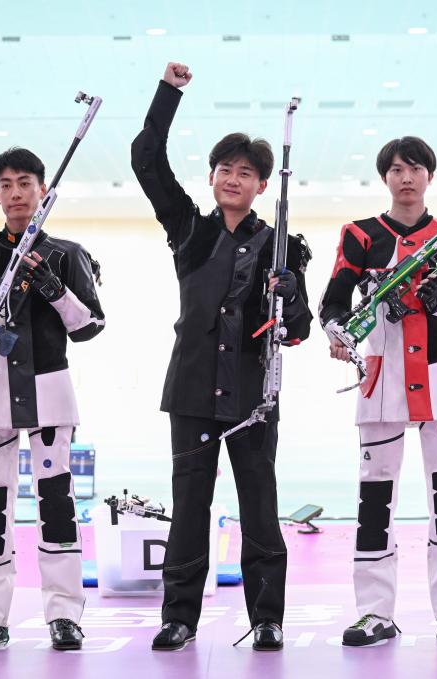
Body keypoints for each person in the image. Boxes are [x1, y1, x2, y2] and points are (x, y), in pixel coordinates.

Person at [131, 62, 313, 651]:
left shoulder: (282, 245)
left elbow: (299, 330)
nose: (234, 179)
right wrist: (169, 93)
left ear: (262, 185)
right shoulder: (190, 230)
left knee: (260, 506)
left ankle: (267, 618)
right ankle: (179, 618)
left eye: (246, 172)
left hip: (255, 396)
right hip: (191, 392)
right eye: (225, 169)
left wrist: (290, 294)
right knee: (190, 507)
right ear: (211, 177)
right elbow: (146, 159)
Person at [319, 137, 437, 649]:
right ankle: (374, 612)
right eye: (396, 169)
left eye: (415, 168)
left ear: (429, 176)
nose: (406, 178)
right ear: (385, 177)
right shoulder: (360, 235)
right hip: (380, 381)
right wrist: (339, 335)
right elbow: (332, 303)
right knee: (374, 501)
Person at [0, 147, 105, 652]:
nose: (16, 193)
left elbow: (90, 326)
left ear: (42, 190)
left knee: (57, 504)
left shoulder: (67, 254)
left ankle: (65, 615)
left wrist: (55, 290)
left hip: (50, 394)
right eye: (6, 184)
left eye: (25, 183)